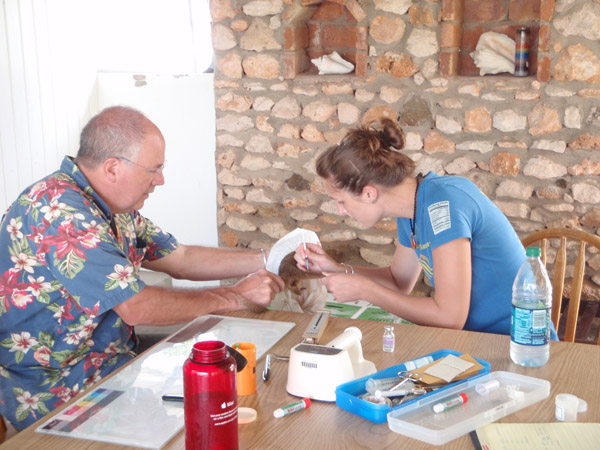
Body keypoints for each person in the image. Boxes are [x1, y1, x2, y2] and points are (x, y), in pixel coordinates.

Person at [0, 106, 284, 430]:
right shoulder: (62, 214)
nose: (160, 180)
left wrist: (271, 257)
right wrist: (234, 296)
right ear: (112, 168)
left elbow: (180, 257)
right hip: (59, 393)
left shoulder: (112, 205)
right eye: (154, 169)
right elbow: (137, 306)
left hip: (115, 371)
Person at [295, 118, 558, 340]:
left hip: (516, 344)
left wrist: (365, 290)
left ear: (369, 193)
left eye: (341, 201)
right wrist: (335, 268)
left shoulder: (444, 205)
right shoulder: (412, 207)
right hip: (477, 341)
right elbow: (399, 283)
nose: (340, 211)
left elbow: (449, 317)